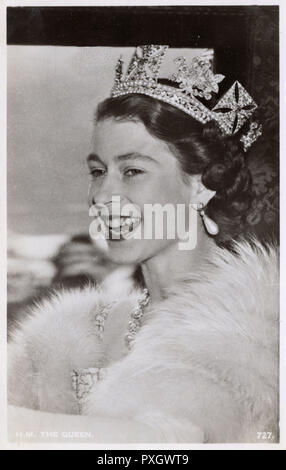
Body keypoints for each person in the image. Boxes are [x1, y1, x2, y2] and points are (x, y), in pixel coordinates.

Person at [8, 46, 278, 443]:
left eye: (132, 170)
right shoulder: (70, 334)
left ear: (201, 183)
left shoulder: (263, 330)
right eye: (98, 171)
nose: (102, 196)